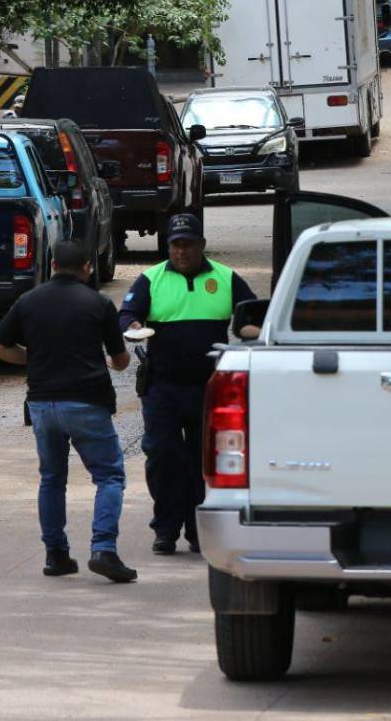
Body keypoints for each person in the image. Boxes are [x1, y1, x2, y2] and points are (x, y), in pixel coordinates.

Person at [0, 240, 137, 583]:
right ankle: (103, 549)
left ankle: (56, 555)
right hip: (87, 402)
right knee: (109, 476)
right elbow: (120, 361)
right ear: (86, 267)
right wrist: (125, 354)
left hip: (42, 404)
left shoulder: (28, 301)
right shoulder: (98, 304)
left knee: (52, 478)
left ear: (53, 266)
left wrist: (33, 358)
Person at [120, 213, 258, 555]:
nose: (182, 252)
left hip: (209, 388)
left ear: (202, 246)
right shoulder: (151, 278)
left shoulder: (226, 277)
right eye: (175, 245)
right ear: (168, 247)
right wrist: (134, 322)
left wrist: (254, 332)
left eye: (188, 245)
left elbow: (252, 317)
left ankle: (199, 531)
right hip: (162, 387)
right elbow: (125, 315)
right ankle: (165, 528)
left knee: (203, 461)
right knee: (163, 457)